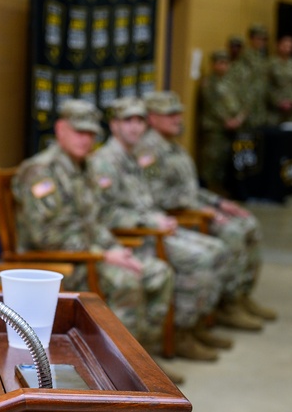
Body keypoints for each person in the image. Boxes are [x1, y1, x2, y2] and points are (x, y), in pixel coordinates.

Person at [12, 99, 174, 355]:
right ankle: (119, 366)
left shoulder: (85, 167)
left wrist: (117, 249)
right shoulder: (41, 170)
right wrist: (103, 254)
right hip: (55, 263)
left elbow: (94, 221)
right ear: (61, 129)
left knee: (158, 272)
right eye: (79, 132)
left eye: (91, 134)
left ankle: (142, 358)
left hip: (90, 254)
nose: (86, 140)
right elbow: (45, 236)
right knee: (127, 281)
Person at [90, 97, 231, 361]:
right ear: (114, 125)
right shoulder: (105, 162)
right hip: (137, 238)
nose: (134, 128)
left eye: (139, 121)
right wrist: (147, 222)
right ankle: (178, 334)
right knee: (201, 258)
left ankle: (193, 325)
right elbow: (105, 214)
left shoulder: (135, 157)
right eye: (127, 121)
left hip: (155, 230)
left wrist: (158, 218)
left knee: (218, 249)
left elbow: (150, 199)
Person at [136, 91, 276, 332]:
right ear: (152, 118)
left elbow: (191, 188)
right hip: (177, 217)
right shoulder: (148, 152)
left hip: (194, 209)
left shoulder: (173, 146)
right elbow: (156, 195)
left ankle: (241, 295)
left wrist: (218, 203)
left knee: (248, 223)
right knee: (232, 232)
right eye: (169, 114)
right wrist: (202, 210)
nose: (177, 118)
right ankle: (226, 304)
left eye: (178, 113)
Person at [199, 49, 245, 193]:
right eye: (220, 63)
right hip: (215, 128)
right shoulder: (208, 83)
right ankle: (207, 190)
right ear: (213, 65)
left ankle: (224, 189)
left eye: (226, 63)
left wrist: (239, 118)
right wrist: (227, 120)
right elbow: (212, 105)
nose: (223, 66)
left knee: (228, 160)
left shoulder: (233, 82)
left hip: (234, 126)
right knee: (212, 160)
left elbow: (244, 101)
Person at [266, 34, 292, 125]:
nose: (287, 49)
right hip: (273, 110)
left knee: (290, 135)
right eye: (284, 46)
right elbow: (266, 85)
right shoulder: (269, 64)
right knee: (274, 135)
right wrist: (277, 101)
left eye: (290, 47)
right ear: (278, 45)